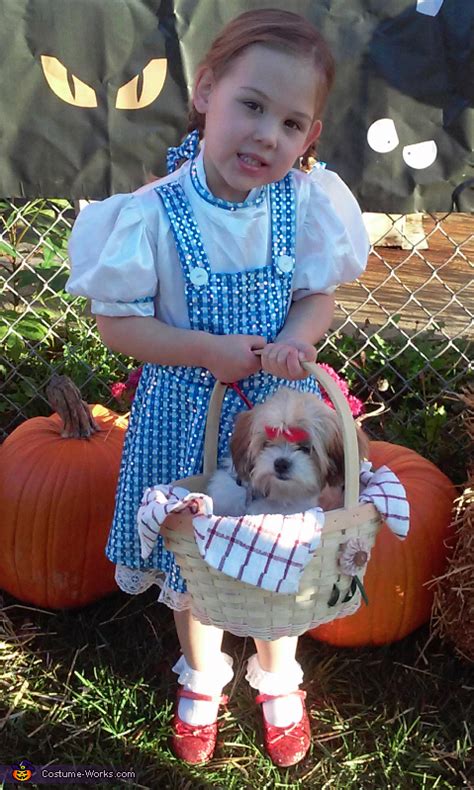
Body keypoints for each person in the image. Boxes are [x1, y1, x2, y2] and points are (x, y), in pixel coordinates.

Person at [67, 8, 369, 768]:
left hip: (277, 423)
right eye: (252, 105)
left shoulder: (302, 204)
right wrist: (208, 351)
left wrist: (298, 339)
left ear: (310, 137)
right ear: (206, 92)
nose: (268, 134)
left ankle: (276, 674)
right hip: (183, 418)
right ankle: (203, 676)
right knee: (195, 568)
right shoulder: (151, 215)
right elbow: (120, 326)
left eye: (292, 122)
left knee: (280, 559)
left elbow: (316, 295)